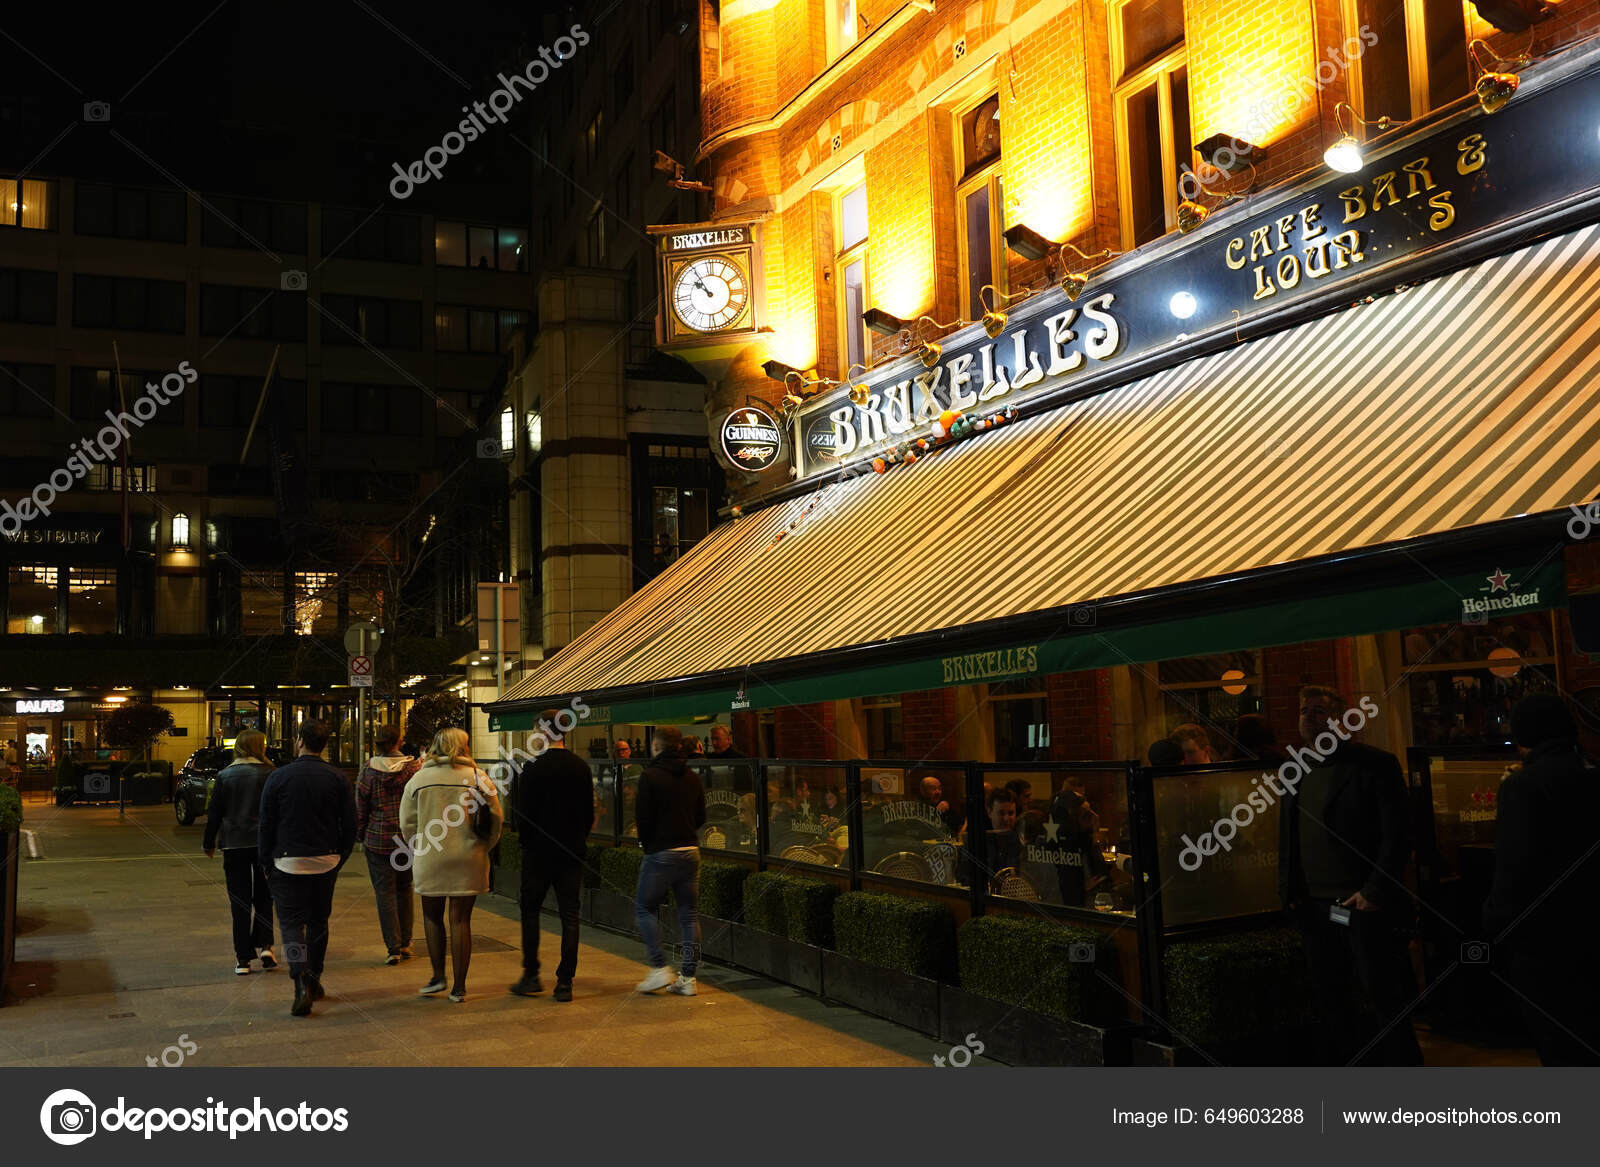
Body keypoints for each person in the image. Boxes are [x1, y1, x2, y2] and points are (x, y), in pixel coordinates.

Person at [1278, 684, 1419, 1065]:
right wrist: (1290, 890)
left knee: (1382, 994)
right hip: (1315, 905)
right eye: (1304, 710)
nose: (1309, 716)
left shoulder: (1374, 764)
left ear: (1341, 720)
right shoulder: (1297, 769)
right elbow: (1288, 835)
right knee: (1329, 996)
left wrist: (1374, 890)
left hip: (1361, 903)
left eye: (1320, 710)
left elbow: (1398, 833)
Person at [1483, 694, 1600, 1064]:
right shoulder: (1592, 772)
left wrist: (1494, 925)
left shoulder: (1523, 787)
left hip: (1547, 944)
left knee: (1562, 1048)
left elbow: (1516, 869)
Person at [258, 720, 356, 1018]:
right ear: (324, 744)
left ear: (300, 741)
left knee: (291, 925)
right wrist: (341, 856)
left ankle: (299, 979)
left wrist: (266, 861)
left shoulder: (278, 778)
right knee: (318, 922)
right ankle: (314, 979)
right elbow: (350, 825)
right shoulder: (338, 778)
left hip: (286, 861)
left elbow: (266, 823)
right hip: (326, 860)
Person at [400, 728, 502, 1004]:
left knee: (432, 917)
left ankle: (437, 977)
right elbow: (495, 820)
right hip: (468, 857)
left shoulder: (419, 778)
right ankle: (459, 987)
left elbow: (407, 824)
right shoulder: (479, 778)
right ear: (463, 747)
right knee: (460, 920)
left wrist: (420, 846)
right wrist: (482, 848)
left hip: (430, 856)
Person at [510, 711, 595, 1002]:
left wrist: (526, 843)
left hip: (538, 852)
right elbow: (588, 813)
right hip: (571, 850)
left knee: (530, 910)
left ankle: (531, 974)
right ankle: (565, 982)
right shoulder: (581, 767)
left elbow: (522, 815)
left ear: (542, 733)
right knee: (570, 915)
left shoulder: (532, 768)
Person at [632, 726, 706, 996]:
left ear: (656, 746)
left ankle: (659, 967)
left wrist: (649, 844)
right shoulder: (692, 777)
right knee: (689, 915)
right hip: (690, 850)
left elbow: (642, 818)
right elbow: (701, 817)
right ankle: (688, 978)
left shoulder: (649, 776)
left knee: (644, 907)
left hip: (662, 852)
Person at [203, 730, 276, 975]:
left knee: (239, 901)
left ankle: (242, 958)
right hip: (264, 844)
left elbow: (215, 812)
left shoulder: (225, 775)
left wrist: (208, 841)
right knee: (265, 896)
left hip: (233, 843)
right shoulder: (270, 773)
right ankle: (266, 945)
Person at [354, 724, 421, 965]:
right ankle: (406, 942)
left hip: (378, 838)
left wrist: (360, 834)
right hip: (408, 838)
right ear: (399, 741)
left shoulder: (368, 770)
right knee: (405, 888)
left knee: (385, 893)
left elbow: (361, 806)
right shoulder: (415, 768)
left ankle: (392, 948)